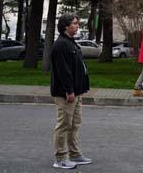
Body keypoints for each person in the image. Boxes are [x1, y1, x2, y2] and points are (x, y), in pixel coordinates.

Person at [50, 14, 92, 169]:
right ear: (65, 26)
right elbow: (63, 71)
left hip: (76, 91)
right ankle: (60, 158)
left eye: (77, 23)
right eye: (74, 23)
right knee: (64, 125)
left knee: (74, 124)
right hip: (66, 93)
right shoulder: (61, 44)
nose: (77, 26)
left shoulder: (70, 42)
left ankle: (74, 154)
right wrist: (69, 91)